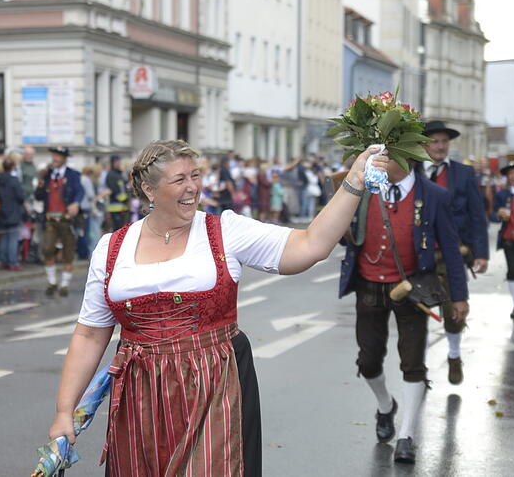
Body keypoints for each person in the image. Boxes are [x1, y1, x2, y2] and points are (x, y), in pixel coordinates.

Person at [50, 140, 387, 476]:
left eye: (196, 175)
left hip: (217, 385)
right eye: (180, 179)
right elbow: (91, 334)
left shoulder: (225, 230)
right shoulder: (112, 248)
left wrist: (353, 182)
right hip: (141, 394)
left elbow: (310, 245)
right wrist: (65, 411)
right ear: (148, 190)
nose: (192, 187)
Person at [338, 156, 468, 464]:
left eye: (387, 156)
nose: (379, 161)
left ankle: (406, 436)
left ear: (406, 160)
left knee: (413, 363)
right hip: (369, 285)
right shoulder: (363, 187)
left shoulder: (435, 195)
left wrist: (459, 297)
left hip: (412, 288)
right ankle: (385, 406)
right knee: (368, 362)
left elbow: (450, 248)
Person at [422, 120, 489, 384]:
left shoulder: (463, 173)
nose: (440, 146)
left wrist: (481, 253)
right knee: (418, 313)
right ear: (423, 144)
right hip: (420, 254)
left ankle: (453, 354)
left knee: (454, 311)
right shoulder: (411, 170)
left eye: (444, 141)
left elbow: (477, 215)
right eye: (434, 141)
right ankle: (419, 365)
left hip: (453, 253)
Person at [35, 147, 83, 297]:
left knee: (68, 251)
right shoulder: (47, 175)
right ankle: (51, 282)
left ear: (64, 158)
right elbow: (38, 196)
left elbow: (80, 191)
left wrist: (76, 203)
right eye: (53, 155)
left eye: (58, 156)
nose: (54, 158)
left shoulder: (73, 175)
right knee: (47, 249)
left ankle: (64, 285)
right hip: (50, 219)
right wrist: (40, 184)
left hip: (66, 219)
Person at [495, 156, 514, 319]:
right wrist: (498, 214)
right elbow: (493, 214)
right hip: (509, 239)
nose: (513, 176)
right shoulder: (503, 194)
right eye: (510, 173)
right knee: (512, 270)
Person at [0, 155, 25, 271]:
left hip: (1, 211)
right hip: (13, 211)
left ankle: (3, 260)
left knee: (3, 237)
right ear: (13, 167)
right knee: (12, 237)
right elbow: (20, 196)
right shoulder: (14, 180)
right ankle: (12, 261)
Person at [104, 155, 130, 232]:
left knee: (123, 230)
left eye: (119, 162)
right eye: (117, 162)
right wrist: (125, 199)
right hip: (115, 207)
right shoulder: (111, 175)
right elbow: (114, 191)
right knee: (118, 230)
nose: (119, 163)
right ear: (113, 163)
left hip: (123, 207)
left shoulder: (119, 174)